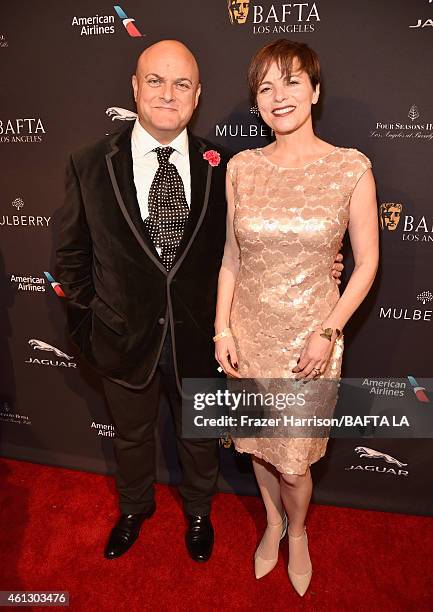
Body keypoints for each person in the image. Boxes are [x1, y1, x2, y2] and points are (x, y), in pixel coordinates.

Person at [56, 39, 344, 564]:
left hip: (206, 340)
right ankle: (133, 508)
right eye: (157, 81)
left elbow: (253, 248)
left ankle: (197, 513)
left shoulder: (227, 167)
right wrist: (90, 326)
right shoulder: (89, 163)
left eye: (182, 84)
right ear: (135, 87)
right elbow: (71, 259)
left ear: (198, 95)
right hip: (123, 339)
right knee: (132, 437)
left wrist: (320, 265)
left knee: (200, 442)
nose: (169, 93)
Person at [215, 39, 378, 595]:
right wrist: (223, 329)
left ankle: (299, 530)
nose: (278, 96)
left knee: (294, 462)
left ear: (314, 89)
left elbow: (367, 262)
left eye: (290, 81)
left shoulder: (350, 168)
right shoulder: (241, 168)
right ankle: (273, 522)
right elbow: (231, 259)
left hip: (311, 341)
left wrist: (328, 329)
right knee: (258, 444)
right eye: (265, 87)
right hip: (251, 333)